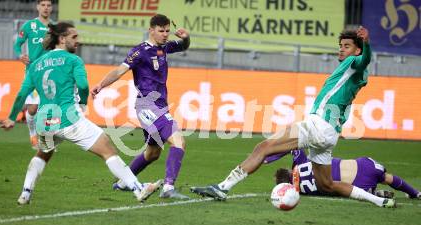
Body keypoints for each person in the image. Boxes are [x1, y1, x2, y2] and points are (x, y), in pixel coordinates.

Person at [191, 26, 396, 208]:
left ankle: (222, 187)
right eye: (340, 45)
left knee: (263, 147)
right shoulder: (355, 73)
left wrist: (367, 44)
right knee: (327, 184)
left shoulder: (355, 64)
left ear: (357, 51)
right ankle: (379, 201)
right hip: (329, 134)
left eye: (347, 46)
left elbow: (365, 60)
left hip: (318, 125)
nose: (341, 49)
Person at [0, 22, 162, 205]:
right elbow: (83, 85)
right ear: (62, 39)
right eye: (74, 37)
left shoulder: (36, 65)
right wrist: (83, 102)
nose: (78, 41)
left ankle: (25, 193)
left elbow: (22, 94)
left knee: (43, 154)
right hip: (69, 119)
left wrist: (11, 118)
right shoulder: (73, 60)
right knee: (108, 150)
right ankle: (138, 189)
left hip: (44, 122)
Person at [91, 14, 190, 200]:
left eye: (168, 31)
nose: (165, 35)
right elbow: (120, 71)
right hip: (148, 105)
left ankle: (123, 182)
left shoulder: (165, 48)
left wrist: (185, 37)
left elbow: (183, 45)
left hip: (159, 106)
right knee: (179, 141)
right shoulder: (140, 51)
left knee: (152, 154)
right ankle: (168, 187)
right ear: (151, 30)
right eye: (161, 31)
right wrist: (101, 84)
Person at [267, 149, 420, 199]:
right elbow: (294, 146)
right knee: (387, 178)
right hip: (362, 165)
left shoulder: (301, 192)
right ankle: (415, 193)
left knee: (340, 190)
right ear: (289, 170)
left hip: (358, 186)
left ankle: (374, 192)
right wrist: (269, 157)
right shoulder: (299, 164)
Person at [13, 0, 53, 149]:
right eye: (43, 5)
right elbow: (17, 44)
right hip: (33, 73)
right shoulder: (29, 26)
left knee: (50, 108)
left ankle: (47, 140)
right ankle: (32, 134)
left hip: (51, 74)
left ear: (51, 8)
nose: (46, 8)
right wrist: (20, 55)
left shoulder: (54, 28)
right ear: (38, 7)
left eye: (48, 5)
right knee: (32, 109)